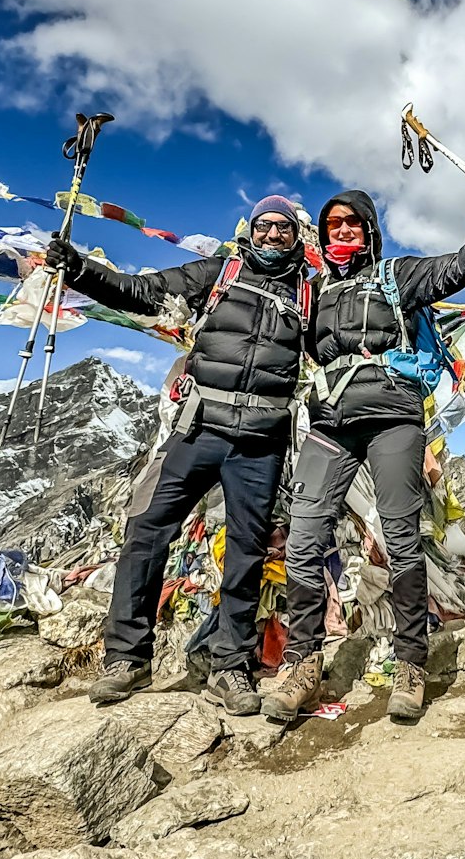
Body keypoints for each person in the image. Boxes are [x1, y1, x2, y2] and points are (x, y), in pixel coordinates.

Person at [45, 196, 310, 715]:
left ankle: (231, 666)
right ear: (251, 230)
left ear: (296, 235)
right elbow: (144, 292)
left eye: (283, 227)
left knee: (247, 552)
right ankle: (127, 657)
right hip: (199, 425)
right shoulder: (220, 272)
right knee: (147, 527)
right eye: (265, 225)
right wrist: (79, 270)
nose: (273, 234)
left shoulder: (309, 291)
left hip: (261, 440)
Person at [266, 176, 465, 723]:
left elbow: (463, 265)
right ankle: (303, 666)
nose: (343, 231)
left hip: (395, 421)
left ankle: (411, 664)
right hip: (330, 423)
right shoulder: (314, 292)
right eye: (334, 225)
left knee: (401, 535)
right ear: (323, 235)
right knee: (304, 538)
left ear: (370, 230)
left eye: (352, 223)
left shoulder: (397, 276)